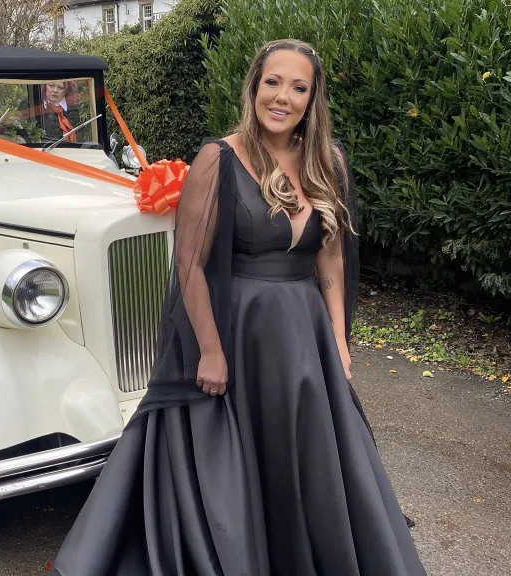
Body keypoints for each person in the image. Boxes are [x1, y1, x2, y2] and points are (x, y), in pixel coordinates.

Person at [52, 39, 425, 575]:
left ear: (312, 99)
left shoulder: (329, 162)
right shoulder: (219, 159)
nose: (283, 97)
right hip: (238, 332)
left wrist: (339, 340)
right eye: (273, 82)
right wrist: (210, 350)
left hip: (306, 339)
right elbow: (189, 262)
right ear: (253, 86)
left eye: (298, 87)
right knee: (238, 459)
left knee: (311, 459)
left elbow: (331, 259)